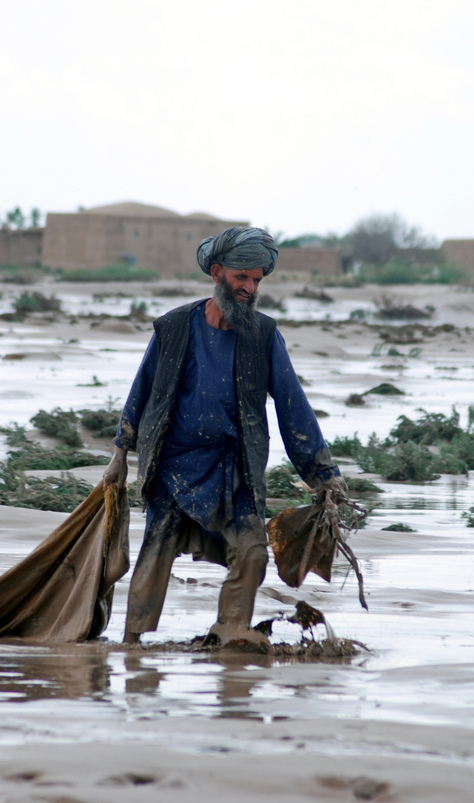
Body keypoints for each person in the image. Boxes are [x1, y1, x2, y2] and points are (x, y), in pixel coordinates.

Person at [102, 226, 347, 646]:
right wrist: (120, 453)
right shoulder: (175, 327)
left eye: (256, 280)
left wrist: (323, 473)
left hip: (235, 470)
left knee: (252, 554)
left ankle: (229, 635)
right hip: (174, 468)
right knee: (154, 555)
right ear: (217, 273)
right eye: (241, 278)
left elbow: (294, 408)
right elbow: (142, 391)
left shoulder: (263, 336)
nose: (250, 288)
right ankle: (132, 647)